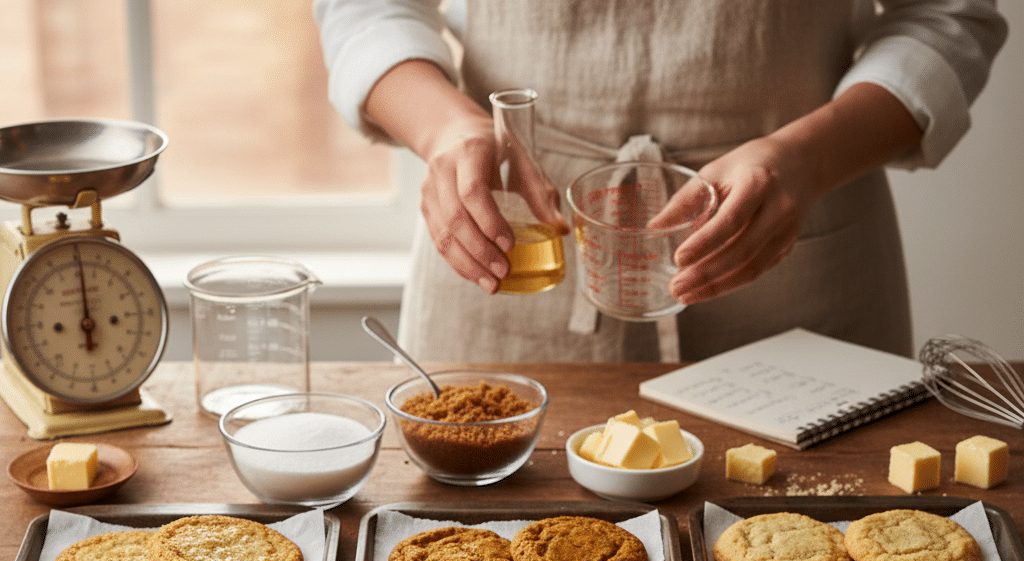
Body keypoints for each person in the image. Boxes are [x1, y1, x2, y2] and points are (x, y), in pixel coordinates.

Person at [314, 0, 1008, 362]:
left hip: (796, 263)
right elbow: (367, 5)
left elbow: (951, 15)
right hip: (514, 238)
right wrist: (445, 131)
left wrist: (806, 158)